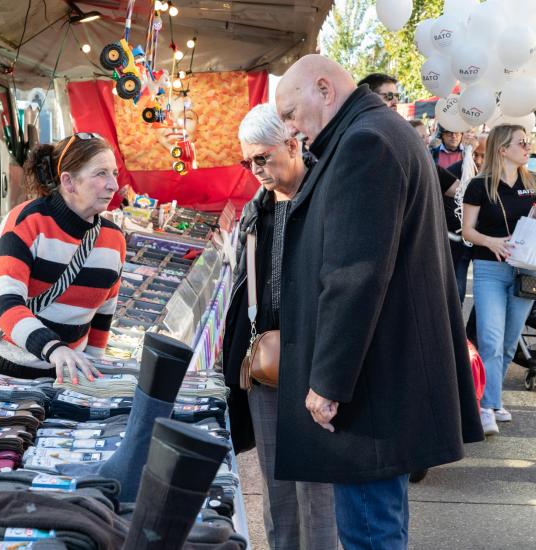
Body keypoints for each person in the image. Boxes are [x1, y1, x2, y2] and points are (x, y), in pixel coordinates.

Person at [274, 55, 484, 549]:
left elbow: (355, 276)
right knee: (378, 526)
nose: (289, 126)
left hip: (370, 387)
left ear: (324, 88)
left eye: (289, 112)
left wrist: (327, 381)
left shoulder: (365, 142)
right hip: (383, 376)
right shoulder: (379, 132)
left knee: (370, 532)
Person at [221, 104, 337, 550]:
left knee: (318, 490)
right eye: (247, 161)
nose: (255, 170)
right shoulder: (258, 208)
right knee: (276, 487)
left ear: (292, 144)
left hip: (316, 364)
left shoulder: (327, 193)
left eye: (261, 158)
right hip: (267, 365)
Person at [0, 132, 125, 383]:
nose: (113, 185)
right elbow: (5, 303)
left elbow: (104, 313)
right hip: (0, 357)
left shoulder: (114, 240)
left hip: (61, 366)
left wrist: (93, 367)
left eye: (114, 173)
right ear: (69, 182)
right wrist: (53, 347)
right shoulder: (26, 222)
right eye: (101, 173)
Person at [461, 124, 536, 436]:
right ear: (502, 148)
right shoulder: (479, 185)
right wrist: (491, 242)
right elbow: (468, 231)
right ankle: (486, 407)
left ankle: (493, 400)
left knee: (507, 343)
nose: (527, 146)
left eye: (528, 141)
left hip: (525, 272)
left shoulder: (531, 183)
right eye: (521, 142)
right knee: (490, 339)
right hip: (489, 268)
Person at [447, 133, 488, 303]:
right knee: (457, 289)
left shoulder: (497, 175)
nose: (478, 160)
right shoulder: (454, 172)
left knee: (486, 296)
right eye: (474, 155)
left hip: (487, 243)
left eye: (483, 156)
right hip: (459, 242)